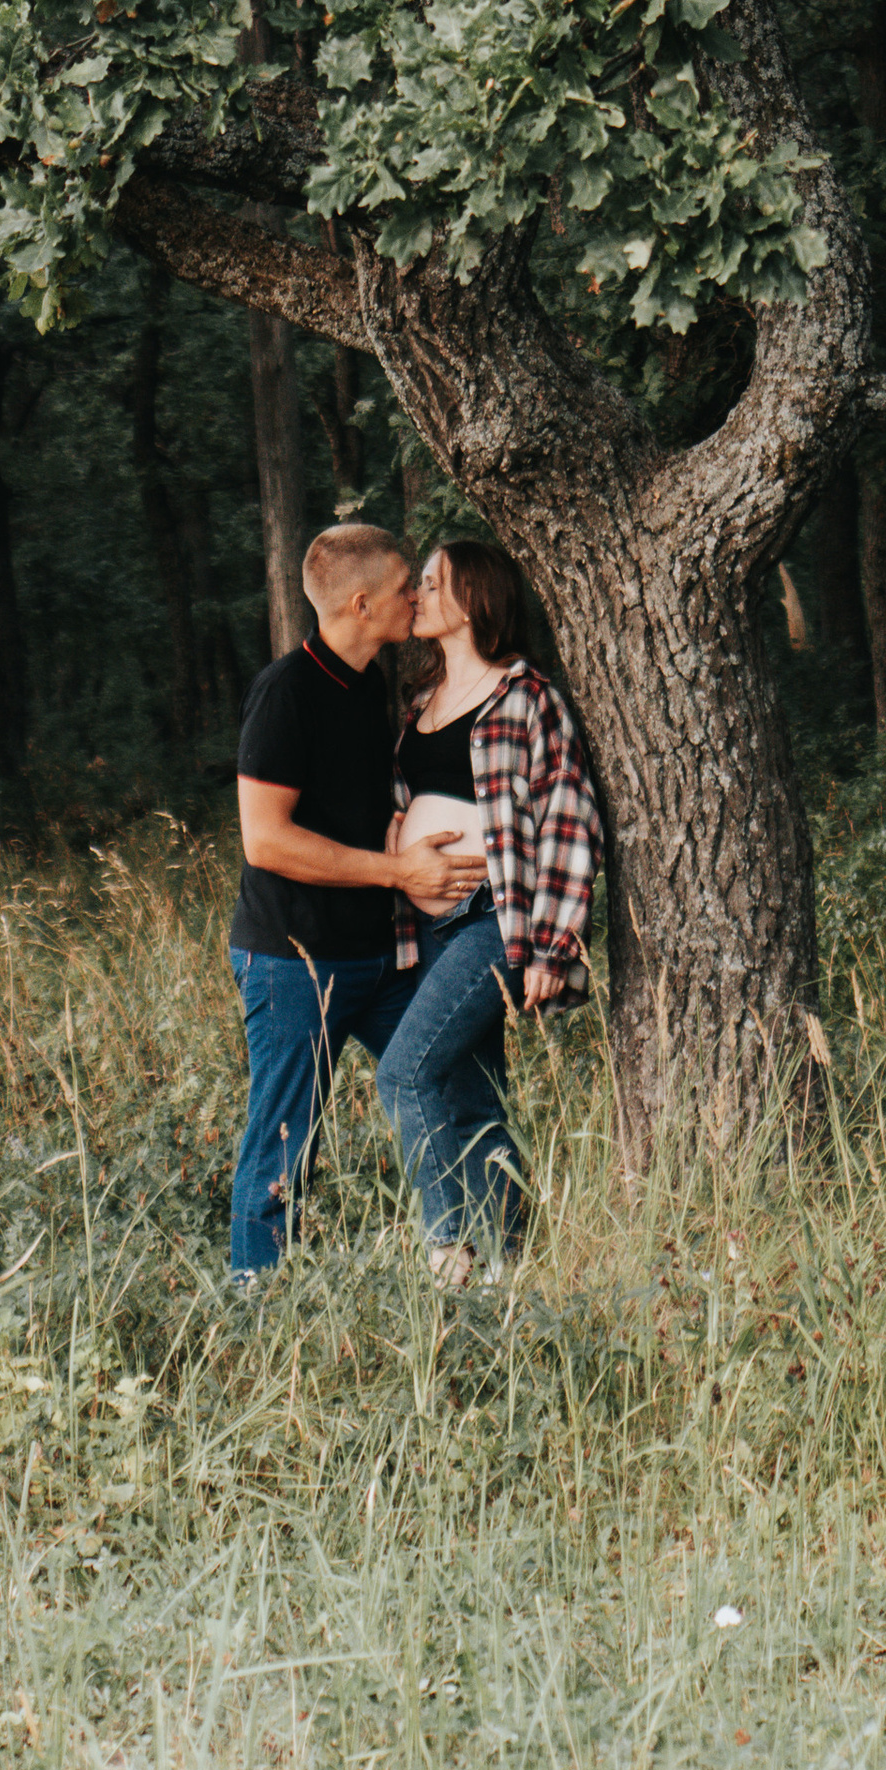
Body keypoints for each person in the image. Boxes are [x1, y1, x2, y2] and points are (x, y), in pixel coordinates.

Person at [229, 523, 481, 1278]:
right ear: (363, 602)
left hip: (380, 956)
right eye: (408, 587)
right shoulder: (287, 693)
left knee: (446, 1082)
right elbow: (266, 841)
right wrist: (396, 870)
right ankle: (257, 1303)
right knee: (283, 1142)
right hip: (293, 962)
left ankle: (475, 1262)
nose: (418, 597)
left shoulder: (370, 684)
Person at [373, 538, 600, 1287]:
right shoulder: (418, 708)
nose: (419, 595)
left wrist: (553, 947)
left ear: (473, 598)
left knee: (405, 1075)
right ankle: (512, 1266)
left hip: (490, 920)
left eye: (432, 583)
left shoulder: (526, 697)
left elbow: (569, 820)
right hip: (425, 928)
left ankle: (450, 1255)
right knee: (471, 1095)